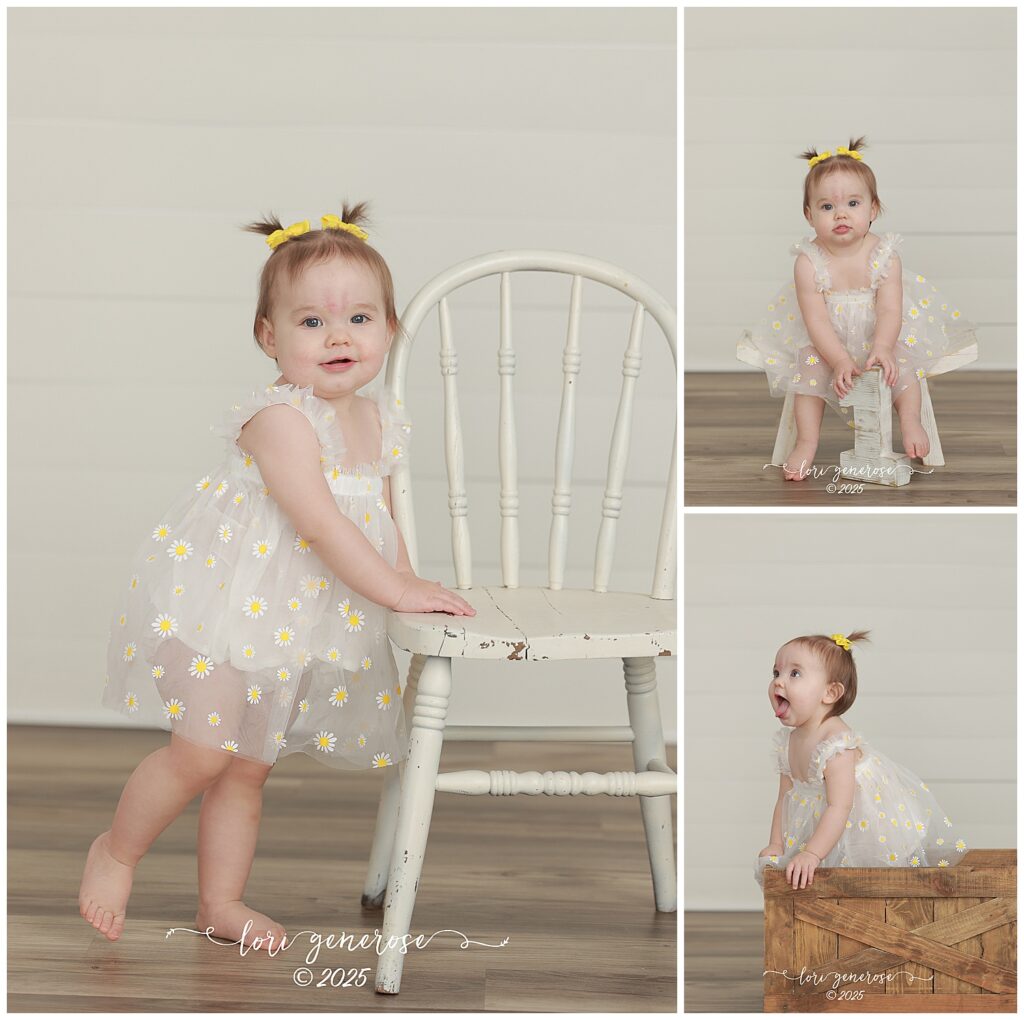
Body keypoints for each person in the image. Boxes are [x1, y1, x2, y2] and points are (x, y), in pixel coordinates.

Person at [79, 202, 476, 948]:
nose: (339, 337)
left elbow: (381, 520)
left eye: (360, 318)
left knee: (247, 769)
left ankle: (219, 903)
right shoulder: (280, 419)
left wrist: (409, 580)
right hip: (221, 608)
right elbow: (323, 524)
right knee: (202, 752)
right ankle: (117, 850)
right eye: (311, 323)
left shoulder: (382, 421)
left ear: (389, 329)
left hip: (293, 618)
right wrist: (395, 593)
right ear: (268, 336)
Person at [737, 137, 978, 480]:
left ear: (873, 209)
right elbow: (816, 319)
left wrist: (881, 347)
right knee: (806, 369)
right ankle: (806, 441)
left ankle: (910, 422)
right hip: (827, 342)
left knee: (904, 365)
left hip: (878, 335)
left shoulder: (885, 256)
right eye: (826, 207)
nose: (841, 214)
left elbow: (890, 311)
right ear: (808, 215)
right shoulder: (808, 262)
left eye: (853, 203)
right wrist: (836, 359)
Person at [755, 631, 968, 890]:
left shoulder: (836, 743)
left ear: (830, 693)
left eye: (794, 674)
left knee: (864, 882)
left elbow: (839, 807)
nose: (778, 682)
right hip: (824, 820)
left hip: (862, 820)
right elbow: (784, 799)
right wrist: (776, 843)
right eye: (776, 672)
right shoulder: (788, 742)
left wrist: (812, 853)